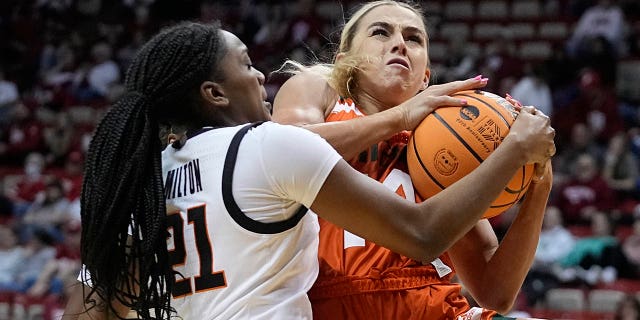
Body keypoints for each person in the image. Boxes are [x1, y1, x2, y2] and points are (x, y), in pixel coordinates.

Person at [61, 20, 553, 320]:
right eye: (247, 64)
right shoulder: (274, 142)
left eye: (413, 38)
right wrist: (512, 152)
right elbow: (422, 233)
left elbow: (88, 311)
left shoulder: (136, 182)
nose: (260, 76)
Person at [272, 1, 555, 319]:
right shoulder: (317, 88)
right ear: (344, 61)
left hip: (433, 305)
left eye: (414, 38)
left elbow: (495, 292)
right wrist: (400, 117)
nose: (399, 44)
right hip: (329, 303)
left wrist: (539, 183)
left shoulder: (445, 142)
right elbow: (280, 153)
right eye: (381, 32)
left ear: (426, 78)